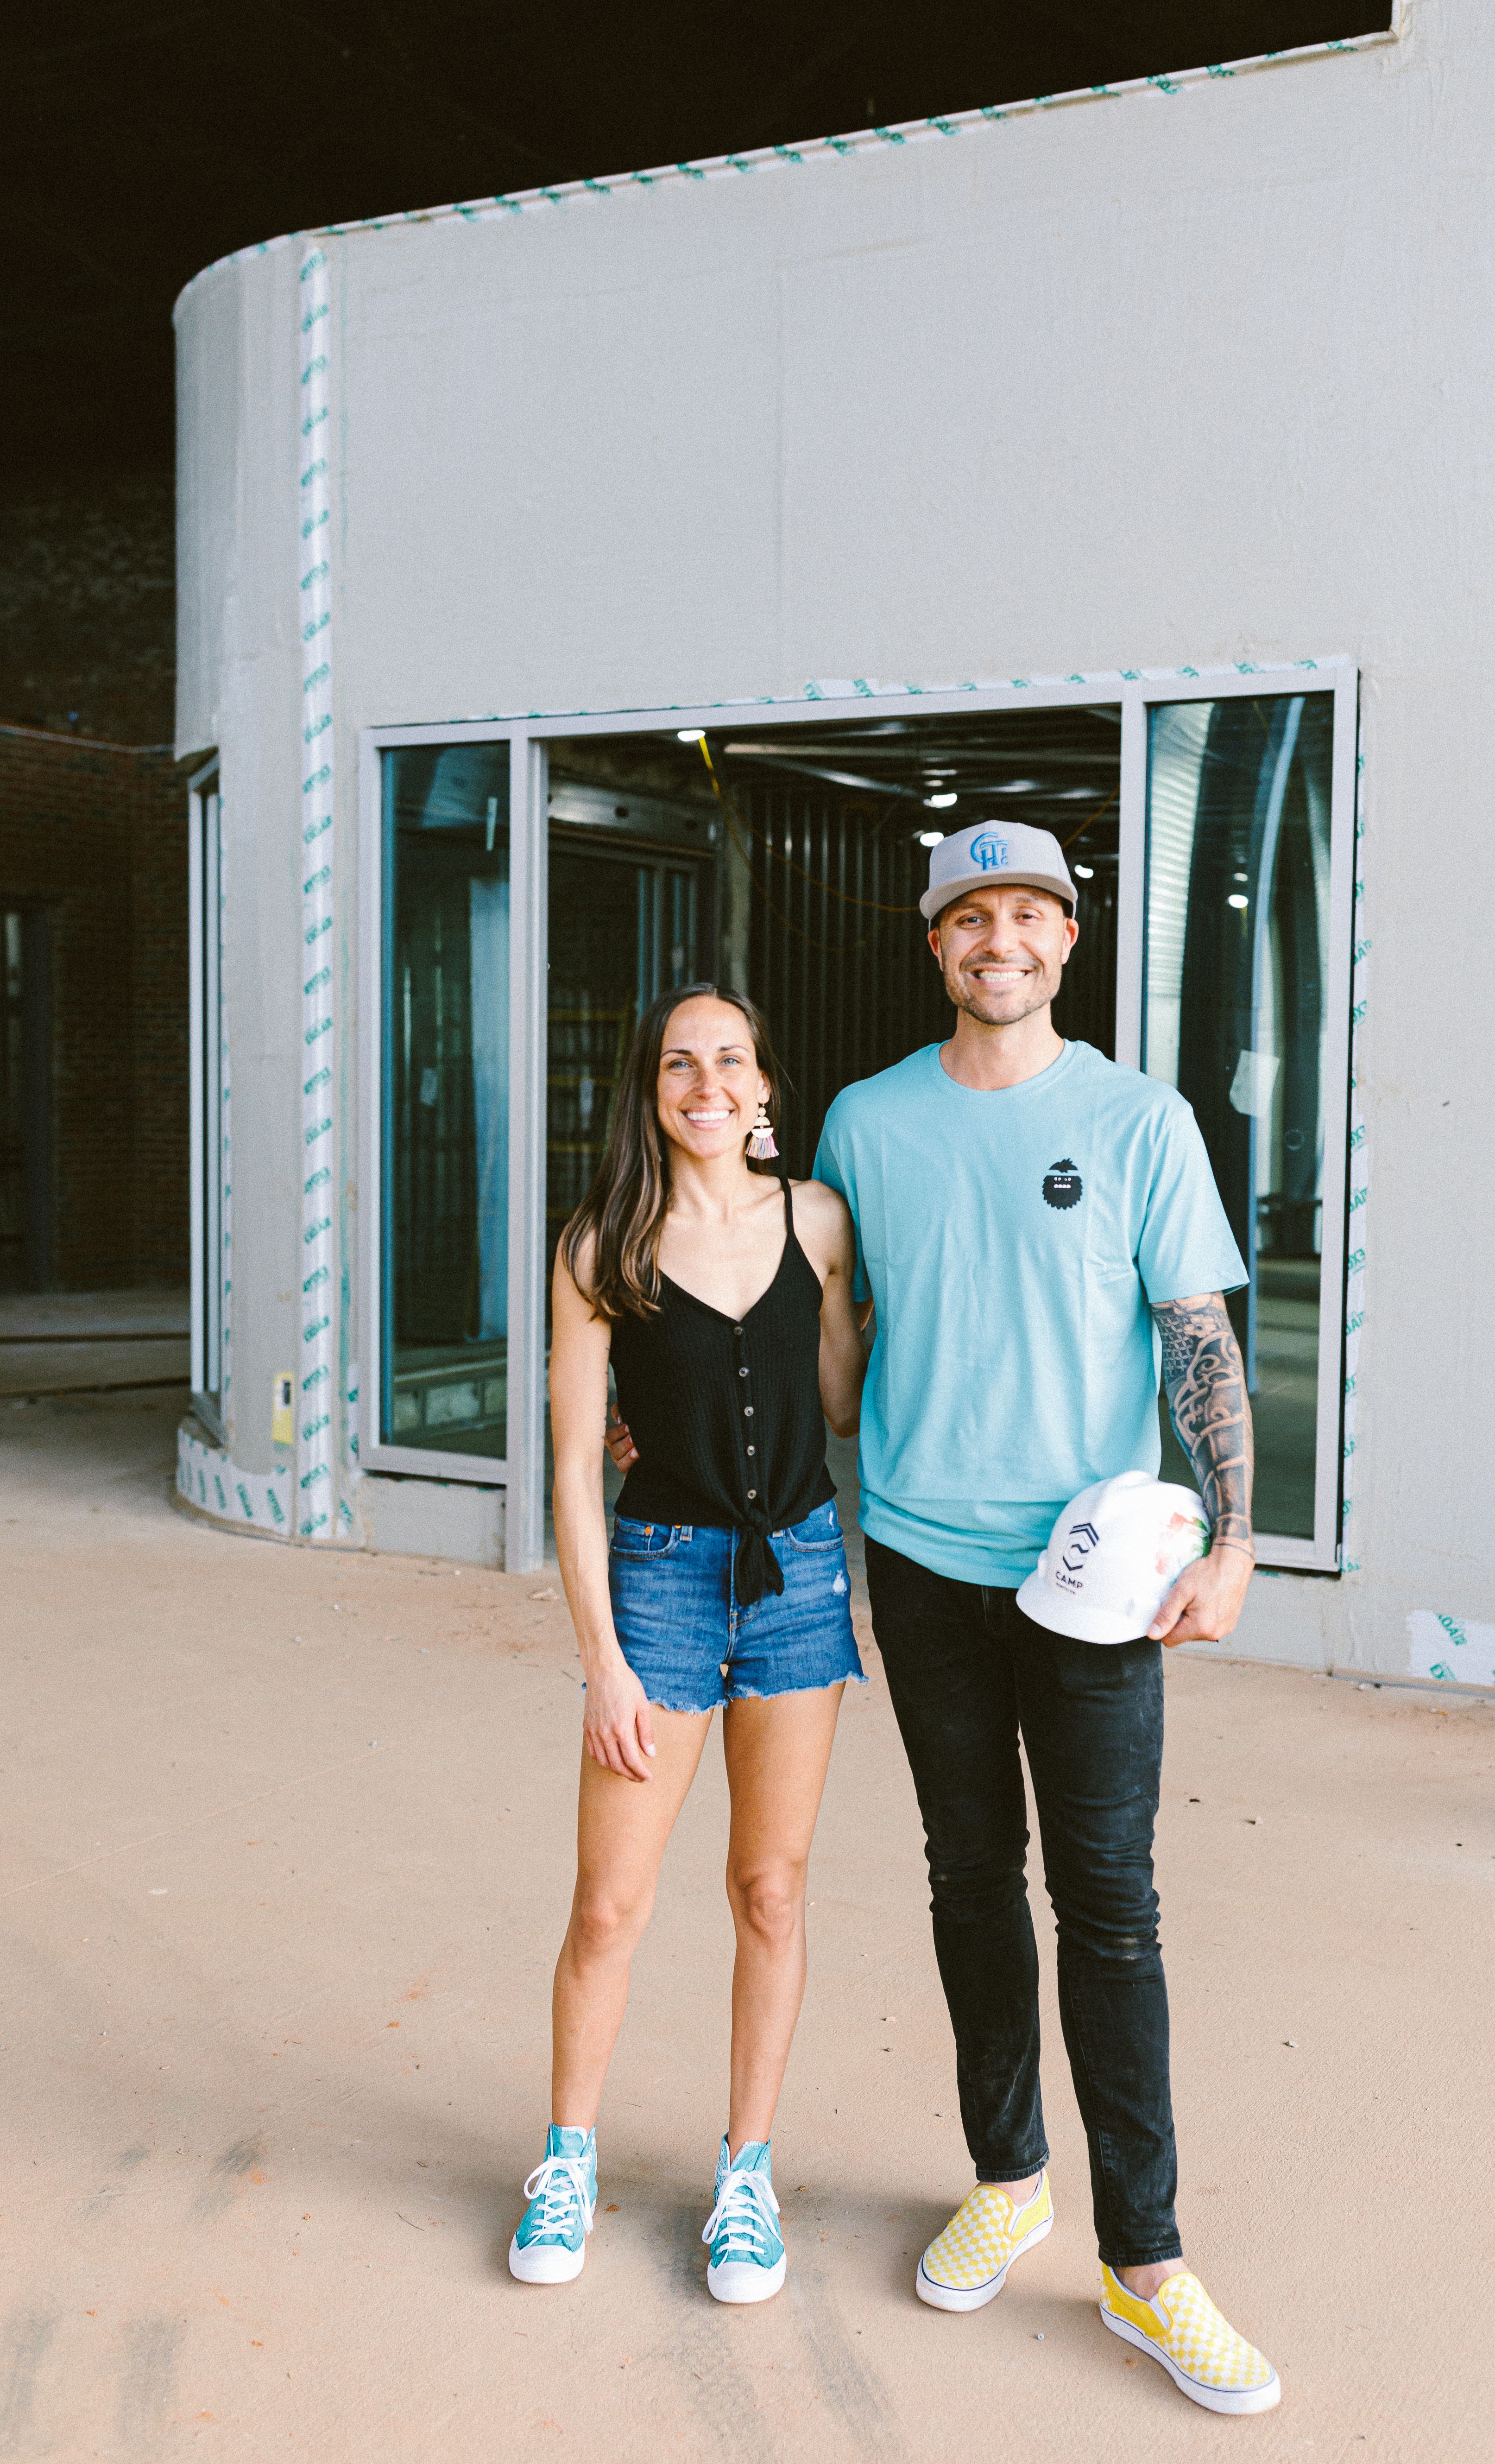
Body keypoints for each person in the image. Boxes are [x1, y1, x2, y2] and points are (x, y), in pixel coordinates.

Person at [809, 820, 1282, 2417]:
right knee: (965, 1876)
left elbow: (1197, 1333)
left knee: (1111, 1904)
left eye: (1028, 915)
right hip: (922, 1560)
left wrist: (1233, 1536)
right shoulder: (867, 1122)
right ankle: (1007, 2175)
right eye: (969, 917)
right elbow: (826, 1324)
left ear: (1068, 941)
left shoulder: (1140, 1121)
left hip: (1094, 1581)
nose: (997, 940)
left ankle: (1145, 2261)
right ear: (934, 944)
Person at [510, 984, 868, 2305]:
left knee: (770, 1892)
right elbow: (568, 1468)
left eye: (731, 1061)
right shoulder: (603, 1242)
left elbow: (835, 1401)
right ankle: (566, 2161)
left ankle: (747, 2179)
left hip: (800, 1584)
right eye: (680, 1063)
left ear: (765, 1086)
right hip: (658, 1586)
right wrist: (602, 1655)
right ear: (650, 1088)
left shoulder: (818, 1221)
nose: (706, 1082)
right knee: (609, 1905)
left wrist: (838, 1324)